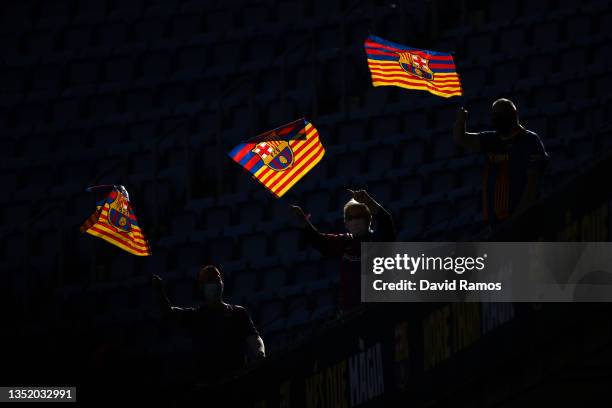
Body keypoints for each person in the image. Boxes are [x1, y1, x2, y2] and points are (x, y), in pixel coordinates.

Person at [152, 265, 265, 384]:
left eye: (217, 280)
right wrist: (160, 293)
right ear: (202, 287)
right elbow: (169, 313)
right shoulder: (196, 315)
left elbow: (254, 337)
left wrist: (260, 352)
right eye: (210, 280)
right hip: (208, 383)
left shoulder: (239, 313)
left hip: (237, 380)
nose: (215, 284)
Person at [290, 189, 396, 313]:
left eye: (358, 216)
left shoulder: (379, 240)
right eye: (350, 218)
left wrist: (368, 201)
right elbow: (320, 242)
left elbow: (386, 222)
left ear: (369, 220)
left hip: (379, 311)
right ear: (346, 223)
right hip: (350, 313)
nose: (354, 221)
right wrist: (303, 222)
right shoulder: (345, 242)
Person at [453, 98, 549, 227]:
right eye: (494, 115)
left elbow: (532, 184)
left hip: (521, 222)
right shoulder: (491, 139)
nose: (495, 119)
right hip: (495, 223)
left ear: (513, 115)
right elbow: (461, 139)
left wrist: (518, 218)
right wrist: (461, 120)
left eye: (500, 115)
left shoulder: (530, 141)